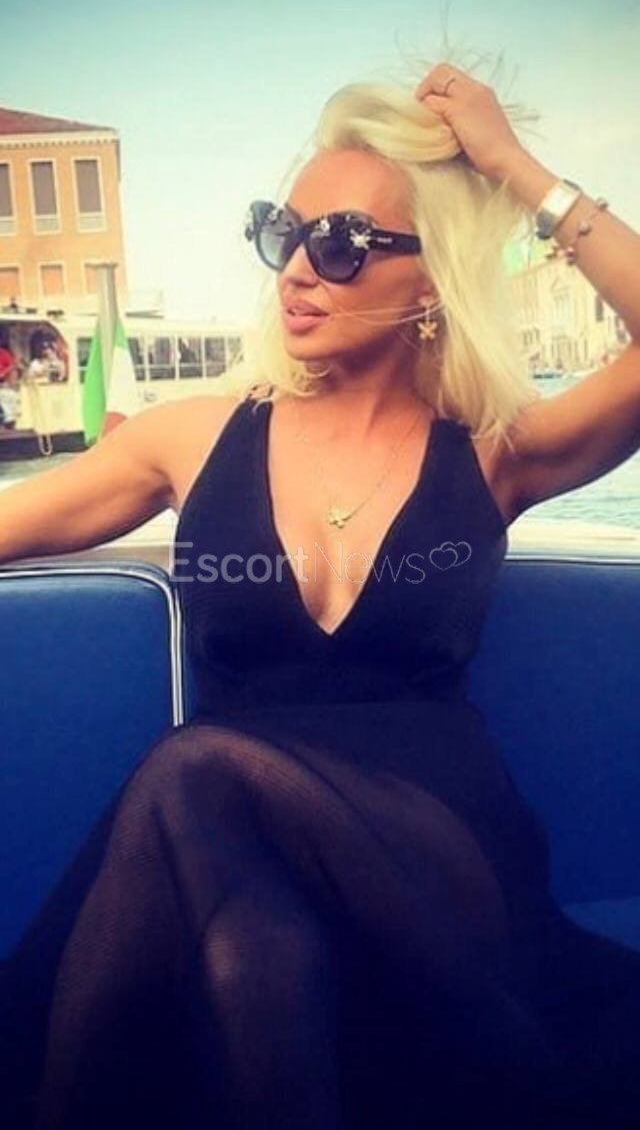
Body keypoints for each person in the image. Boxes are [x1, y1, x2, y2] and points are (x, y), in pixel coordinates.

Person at [1, 55, 640, 1130]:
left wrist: (512, 166)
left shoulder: (494, 453)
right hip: (229, 860)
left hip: (439, 856)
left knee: (194, 763)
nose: (298, 268)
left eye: (341, 243)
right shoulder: (190, 438)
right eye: (282, 233)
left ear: (429, 278)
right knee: (254, 951)